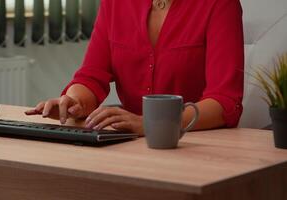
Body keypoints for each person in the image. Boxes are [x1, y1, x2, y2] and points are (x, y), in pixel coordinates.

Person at [26, 0, 244, 136]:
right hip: (131, 142)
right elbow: (91, 76)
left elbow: (225, 102)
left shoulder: (220, 3)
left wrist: (154, 125)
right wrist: (74, 102)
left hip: (196, 142)